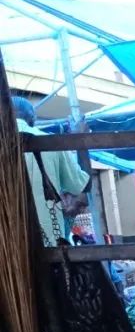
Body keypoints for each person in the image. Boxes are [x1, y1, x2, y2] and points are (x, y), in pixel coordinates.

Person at [14, 96, 89, 246]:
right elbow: (82, 185)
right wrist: (82, 141)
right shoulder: (51, 142)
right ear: (32, 118)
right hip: (48, 243)